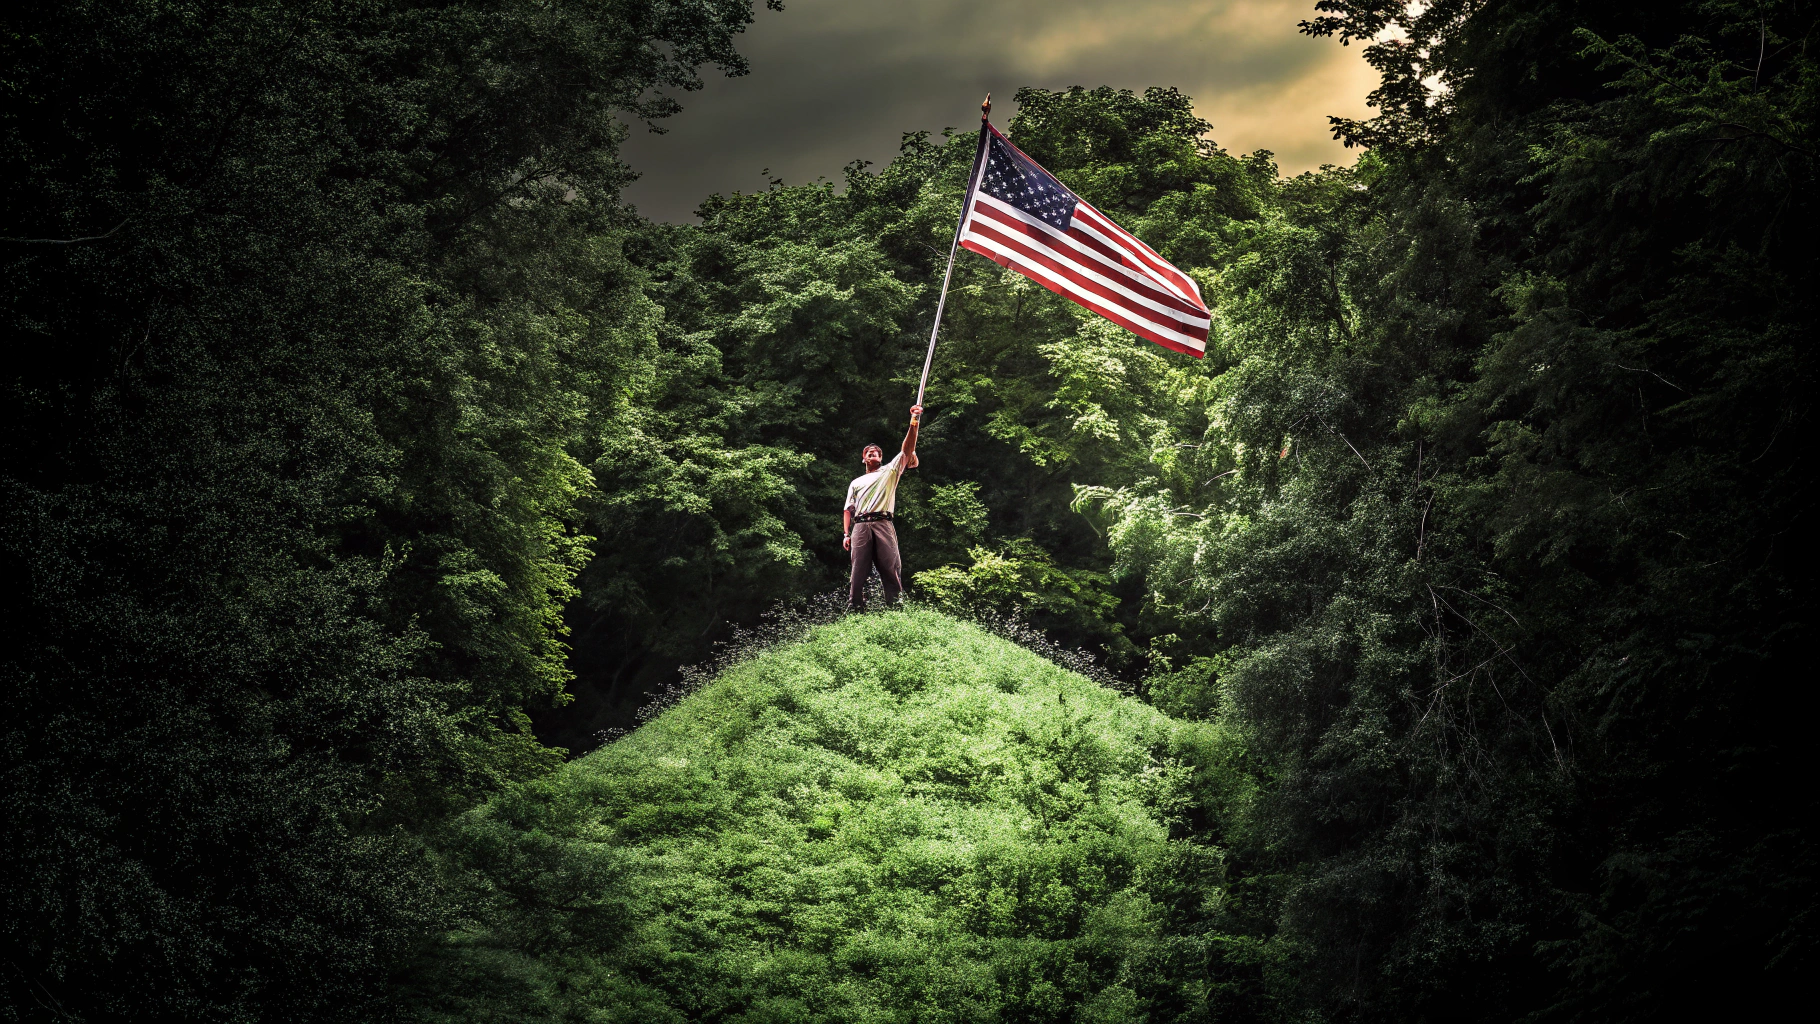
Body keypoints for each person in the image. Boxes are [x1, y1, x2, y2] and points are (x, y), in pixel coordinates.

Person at [843, 404, 922, 610]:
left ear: (881, 457)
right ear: (864, 458)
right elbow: (848, 509)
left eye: (877, 451)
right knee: (858, 569)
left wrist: (914, 421)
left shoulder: (890, 471)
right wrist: (846, 534)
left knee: (890, 565)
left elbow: (907, 449)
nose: (873, 452)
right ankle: (855, 608)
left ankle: (896, 608)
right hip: (860, 524)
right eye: (869, 452)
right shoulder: (856, 481)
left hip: (883, 522)